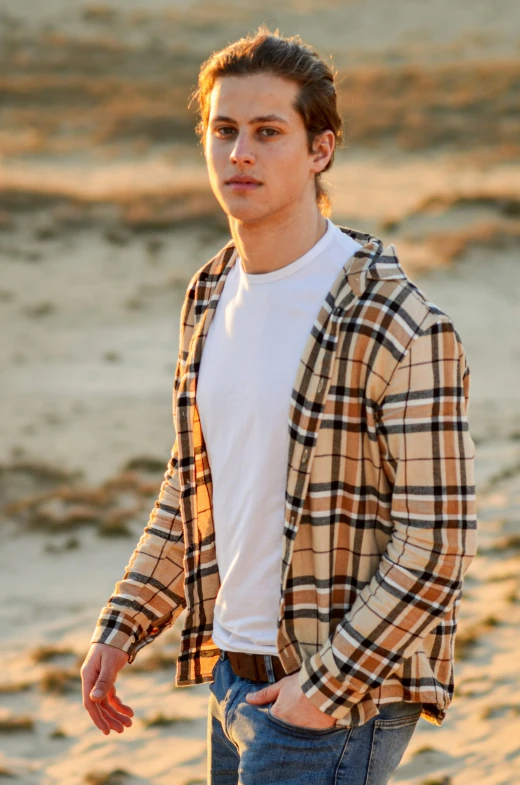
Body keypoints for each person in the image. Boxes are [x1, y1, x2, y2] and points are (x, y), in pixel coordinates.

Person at [81, 27, 478, 785]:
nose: (241, 154)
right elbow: (195, 480)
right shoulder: (210, 292)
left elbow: (438, 545)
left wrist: (323, 690)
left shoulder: (398, 323)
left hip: (333, 696)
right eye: (224, 130)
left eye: (268, 132)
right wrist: (124, 623)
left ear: (320, 149)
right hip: (233, 676)